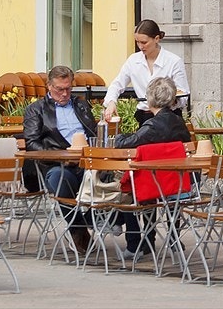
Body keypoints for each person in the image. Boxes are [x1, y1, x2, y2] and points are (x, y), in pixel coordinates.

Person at [113, 76, 192, 258]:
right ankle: (166, 237)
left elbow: (124, 144)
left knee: (125, 188)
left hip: (154, 187)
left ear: (149, 99)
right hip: (179, 185)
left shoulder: (152, 126)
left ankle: (133, 242)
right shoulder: (179, 123)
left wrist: (119, 136)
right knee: (136, 183)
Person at [21, 64, 98, 201]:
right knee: (60, 177)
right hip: (57, 164)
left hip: (87, 160)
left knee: (118, 175)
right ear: (49, 86)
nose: (64, 94)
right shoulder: (37, 109)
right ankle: (78, 222)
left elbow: (94, 133)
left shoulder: (80, 105)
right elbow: (31, 143)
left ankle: (109, 220)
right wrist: (59, 157)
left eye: (68, 89)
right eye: (60, 89)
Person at [103, 21, 190, 120]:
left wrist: (169, 101)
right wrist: (111, 102)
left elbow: (183, 94)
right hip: (144, 117)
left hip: (170, 116)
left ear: (156, 39)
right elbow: (117, 84)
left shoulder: (174, 61)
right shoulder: (133, 60)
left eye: (144, 42)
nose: (140, 46)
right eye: (137, 42)